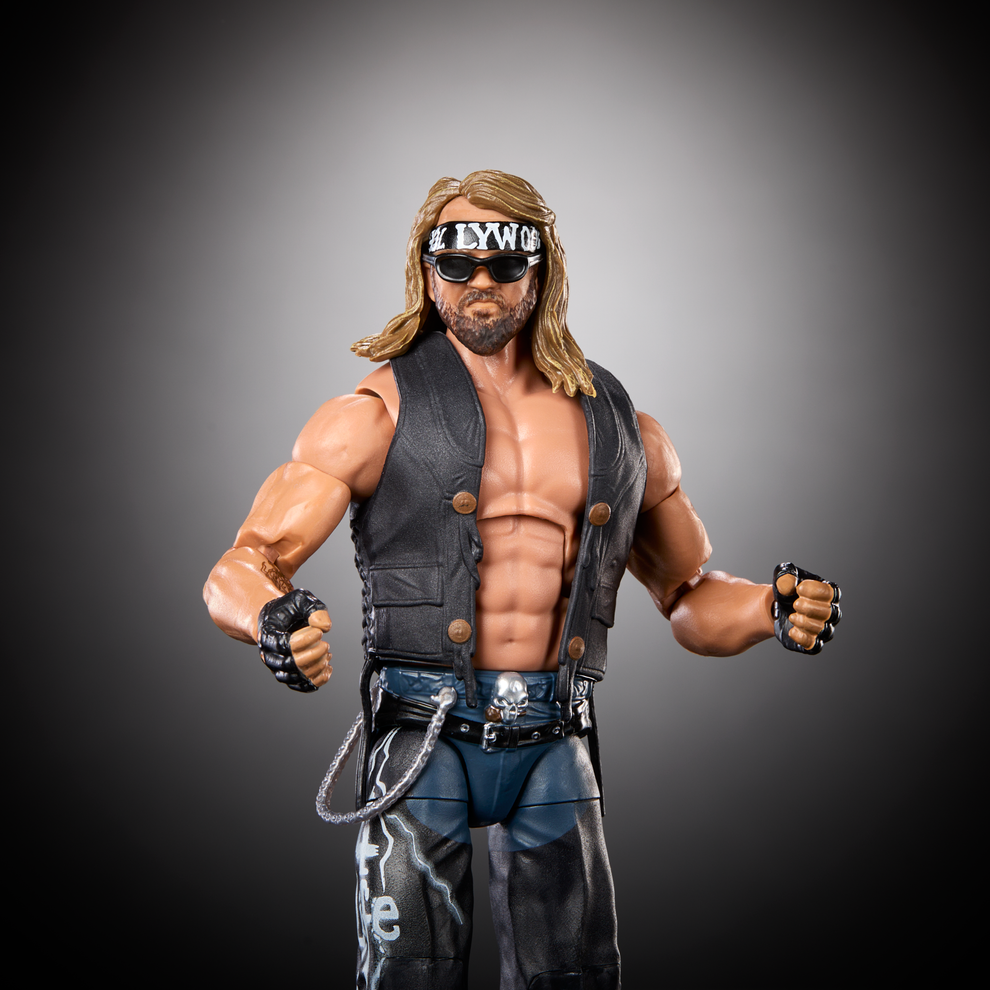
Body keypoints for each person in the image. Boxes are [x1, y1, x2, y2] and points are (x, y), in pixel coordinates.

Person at [204, 170, 840, 990]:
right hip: (420, 731)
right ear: (427, 270)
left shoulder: (622, 428)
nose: (481, 282)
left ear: (540, 272)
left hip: (554, 732)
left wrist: (768, 609)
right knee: (408, 972)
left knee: (576, 973)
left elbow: (688, 597)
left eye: (504, 263)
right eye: (457, 262)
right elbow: (244, 564)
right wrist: (272, 620)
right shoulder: (370, 416)